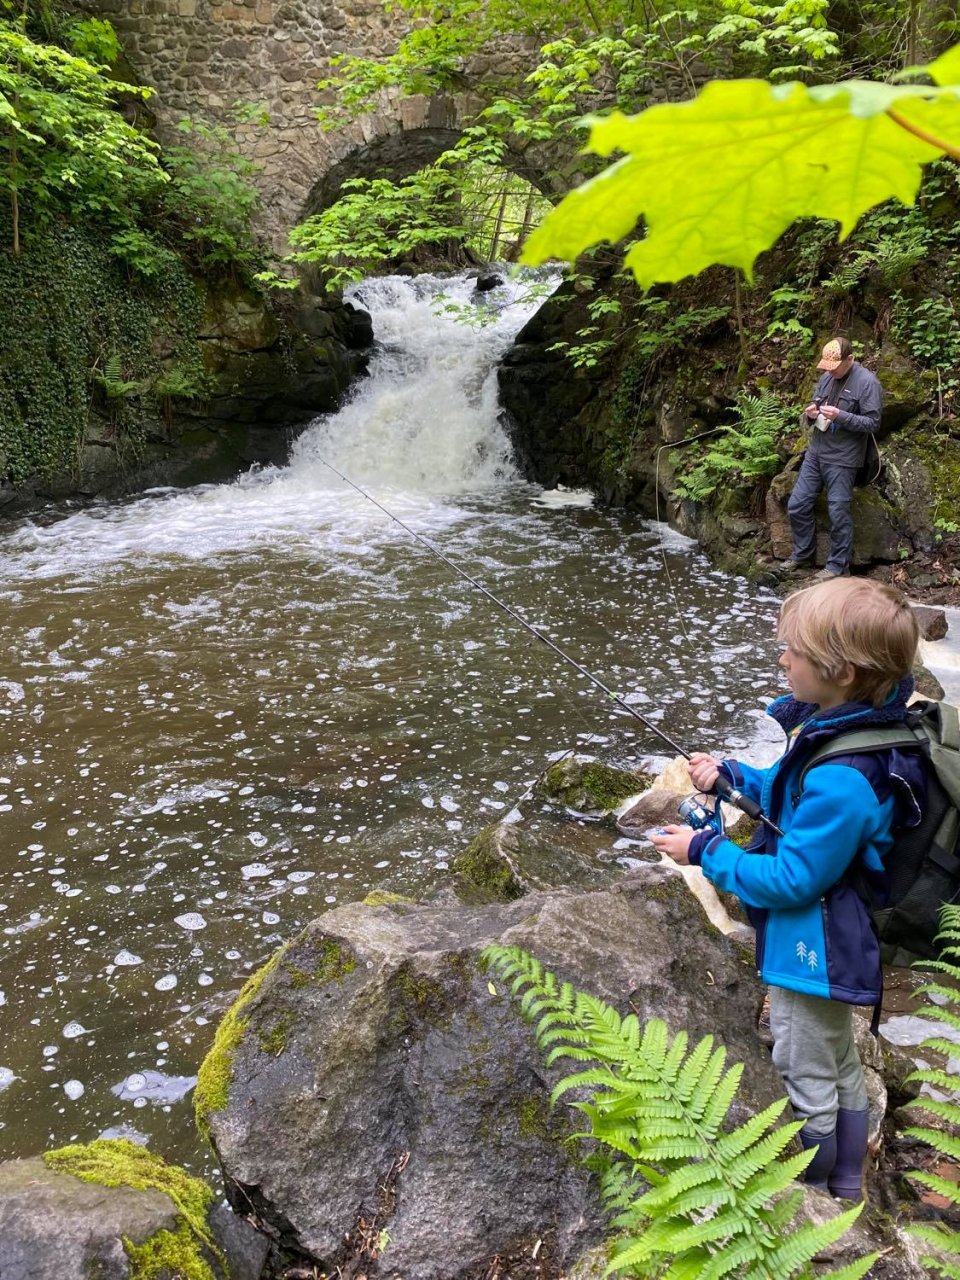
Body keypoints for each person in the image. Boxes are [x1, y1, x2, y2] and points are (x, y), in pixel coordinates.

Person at [650, 578, 925, 1201]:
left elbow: (793, 879)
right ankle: (850, 1182)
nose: (782, 659)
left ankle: (815, 1190)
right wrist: (732, 777)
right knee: (838, 1058)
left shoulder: (846, 782)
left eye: (791, 651)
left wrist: (705, 852)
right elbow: (789, 790)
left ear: (843, 671)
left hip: (815, 947)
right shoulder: (848, 728)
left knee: (802, 1065)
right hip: (835, 936)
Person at [776, 337, 883, 582]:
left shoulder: (868, 383)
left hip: (844, 459)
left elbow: (873, 423)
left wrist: (841, 416)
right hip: (816, 453)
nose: (830, 372)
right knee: (797, 505)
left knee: (838, 512)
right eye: (827, 367)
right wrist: (812, 414)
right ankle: (802, 554)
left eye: (835, 368)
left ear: (850, 360)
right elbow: (815, 406)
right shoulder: (826, 378)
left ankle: (836, 567)